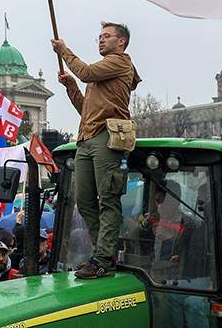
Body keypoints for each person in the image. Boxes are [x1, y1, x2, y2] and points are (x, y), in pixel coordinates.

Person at [52, 22, 140, 279]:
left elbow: (86, 72)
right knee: (84, 200)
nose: (100, 40)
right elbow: (85, 110)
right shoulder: (101, 72)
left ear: (121, 41)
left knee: (108, 199)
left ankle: (104, 258)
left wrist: (64, 51)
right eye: (99, 36)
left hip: (107, 137)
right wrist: (71, 87)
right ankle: (104, 253)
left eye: (107, 36)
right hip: (87, 136)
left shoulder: (121, 63)